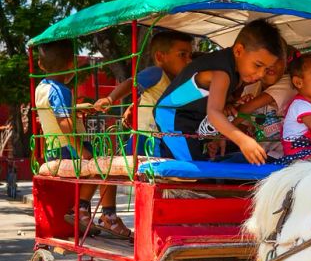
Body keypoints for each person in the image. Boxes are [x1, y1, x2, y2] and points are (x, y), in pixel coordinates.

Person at [35, 40, 130, 238]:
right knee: (106, 166)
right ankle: (100, 214)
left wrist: (77, 109)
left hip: (52, 148)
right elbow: (64, 124)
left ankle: (91, 211)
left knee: (102, 162)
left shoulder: (42, 88)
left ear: (40, 65)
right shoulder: (60, 90)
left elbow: (52, 114)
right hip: (67, 149)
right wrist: (80, 150)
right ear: (72, 64)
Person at [154, 20, 285, 164]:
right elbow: (214, 113)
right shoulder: (222, 72)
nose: (261, 74)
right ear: (239, 51)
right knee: (191, 170)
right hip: (172, 116)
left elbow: (209, 98)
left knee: (199, 165)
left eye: (266, 69)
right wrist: (242, 140)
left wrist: (230, 103)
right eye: (258, 65)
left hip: (192, 120)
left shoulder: (234, 70)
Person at [94, 30, 193, 154]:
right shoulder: (156, 72)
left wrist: (134, 104)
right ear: (160, 56)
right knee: (144, 169)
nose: (189, 61)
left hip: (161, 137)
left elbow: (153, 97)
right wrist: (110, 99)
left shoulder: (174, 82)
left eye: (190, 56)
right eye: (182, 54)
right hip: (145, 136)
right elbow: (131, 83)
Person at [208, 46, 297, 161]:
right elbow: (243, 125)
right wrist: (221, 140)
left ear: (286, 64)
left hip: (281, 155)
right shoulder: (250, 89)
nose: (272, 65)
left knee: (223, 167)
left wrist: (223, 134)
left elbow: (250, 107)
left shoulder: (289, 83)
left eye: (278, 60)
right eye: (267, 61)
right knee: (217, 161)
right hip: (259, 152)